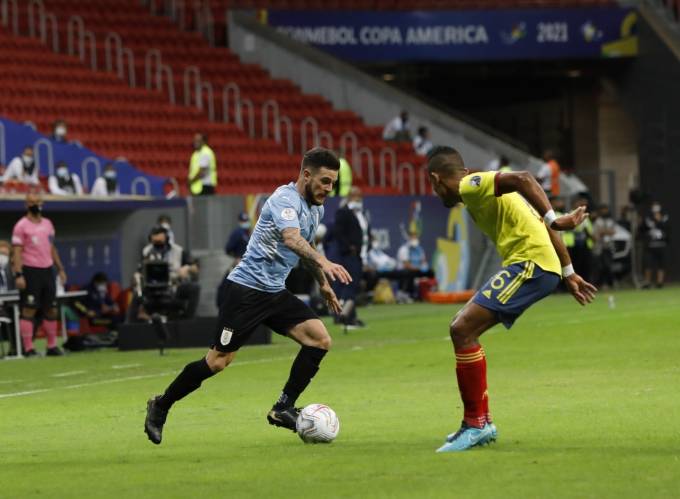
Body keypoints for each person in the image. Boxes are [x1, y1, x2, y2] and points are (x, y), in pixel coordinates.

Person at [144, 147, 350, 445]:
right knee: (217, 362)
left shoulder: (315, 208)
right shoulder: (284, 200)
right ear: (306, 175)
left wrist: (323, 284)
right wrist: (325, 262)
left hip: (275, 291)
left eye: (333, 183)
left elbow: (303, 249)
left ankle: (282, 408)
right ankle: (161, 405)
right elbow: (291, 238)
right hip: (245, 291)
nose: (329, 189)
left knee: (320, 339)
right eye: (325, 181)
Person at [426, 145, 596, 452]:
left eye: (433, 188)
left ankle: (476, 424)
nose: (437, 196)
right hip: (539, 264)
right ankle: (481, 422)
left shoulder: (471, 185)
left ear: (436, 179)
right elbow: (541, 222)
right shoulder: (484, 186)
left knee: (461, 329)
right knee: (465, 330)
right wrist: (568, 270)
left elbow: (525, 178)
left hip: (529, 264)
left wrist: (555, 219)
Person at [11, 192, 68, 357]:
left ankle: (52, 346)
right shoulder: (21, 226)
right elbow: (17, 251)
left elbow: (51, 248)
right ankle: (29, 348)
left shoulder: (48, 224)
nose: (36, 205)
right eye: (32, 202)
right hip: (30, 270)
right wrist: (19, 274)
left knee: (51, 309)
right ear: (26, 205)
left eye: (38, 201)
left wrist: (60, 268)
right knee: (29, 309)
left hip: (47, 269)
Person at [139, 225, 200, 320]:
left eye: (160, 242)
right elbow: (140, 271)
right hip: (152, 288)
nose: (157, 245)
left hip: (174, 285)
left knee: (195, 287)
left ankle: (188, 320)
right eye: (155, 243)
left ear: (167, 239)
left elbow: (195, 268)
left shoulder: (178, 250)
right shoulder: (146, 251)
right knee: (136, 294)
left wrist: (187, 268)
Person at [333, 186, 369, 328]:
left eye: (360, 195)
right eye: (356, 196)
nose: (359, 199)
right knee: (349, 286)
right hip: (349, 256)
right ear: (349, 197)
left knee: (353, 287)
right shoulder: (343, 212)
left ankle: (349, 316)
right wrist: (349, 247)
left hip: (360, 255)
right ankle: (345, 316)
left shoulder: (361, 214)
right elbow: (338, 232)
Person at [396, 229, 429, 300]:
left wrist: (424, 267)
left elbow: (423, 261)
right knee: (409, 272)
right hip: (404, 272)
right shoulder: (404, 249)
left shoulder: (420, 249)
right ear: (409, 239)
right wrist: (418, 269)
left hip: (416, 270)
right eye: (413, 238)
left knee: (429, 272)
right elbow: (406, 265)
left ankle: (425, 295)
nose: (415, 240)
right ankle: (404, 294)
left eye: (416, 238)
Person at [643, 201, 670, 288]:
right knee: (648, 264)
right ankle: (647, 282)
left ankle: (660, 282)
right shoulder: (648, 217)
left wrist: (659, 220)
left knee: (661, 264)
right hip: (650, 245)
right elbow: (644, 227)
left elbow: (666, 227)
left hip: (661, 244)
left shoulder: (665, 216)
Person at [592, 204, 616, 289]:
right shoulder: (598, 221)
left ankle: (609, 283)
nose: (604, 211)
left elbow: (613, 232)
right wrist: (604, 232)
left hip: (608, 246)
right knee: (600, 267)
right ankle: (599, 284)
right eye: (602, 209)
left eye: (605, 209)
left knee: (608, 266)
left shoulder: (610, 221)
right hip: (599, 247)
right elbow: (595, 234)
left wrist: (604, 232)